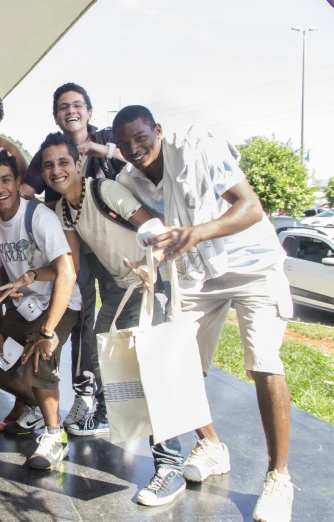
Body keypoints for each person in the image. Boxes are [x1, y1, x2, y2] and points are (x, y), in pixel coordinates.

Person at [114, 105, 294, 520]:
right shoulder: (130, 179)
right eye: (124, 144)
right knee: (175, 364)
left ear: (157, 130)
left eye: (140, 137)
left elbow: (251, 207)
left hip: (252, 264)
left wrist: (197, 233)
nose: (134, 148)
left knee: (263, 363)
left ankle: (278, 478)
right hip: (198, 272)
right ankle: (211, 445)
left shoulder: (199, 149)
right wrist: (151, 262)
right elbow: (160, 233)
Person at [37, 131, 188, 505]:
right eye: (48, 165)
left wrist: (151, 265)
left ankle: (170, 466)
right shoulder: (62, 211)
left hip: (150, 281)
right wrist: (32, 279)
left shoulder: (105, 190)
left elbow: (153, 227)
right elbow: (68, 267)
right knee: (103, 348)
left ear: (76, 163)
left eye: (63, 162)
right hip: (121, 289)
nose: (57, 171)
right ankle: (107, 414)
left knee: (148, 370)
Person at [0, 150, 79, 469]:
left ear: (16, 182)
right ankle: (35, 404)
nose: (0, 188)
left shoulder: (39, 217)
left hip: (61, 303)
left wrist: (47, 332)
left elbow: (66, 273)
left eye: (5, 180)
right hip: (24, 307)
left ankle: (55, 437)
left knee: (39, 358)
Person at [21, 83, 128, 436]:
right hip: (74, 242)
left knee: (114, 325)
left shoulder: (110, 137)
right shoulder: (47, 151)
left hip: (116, 249)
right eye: (63, 106)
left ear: (89, 111)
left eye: (77, 105)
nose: (71, 111)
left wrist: (98, 148)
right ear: (55, 115)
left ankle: (113, 402)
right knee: (83, 317)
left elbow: (141, 156)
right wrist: (53, 210)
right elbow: (25, 191)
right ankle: (85, 393)